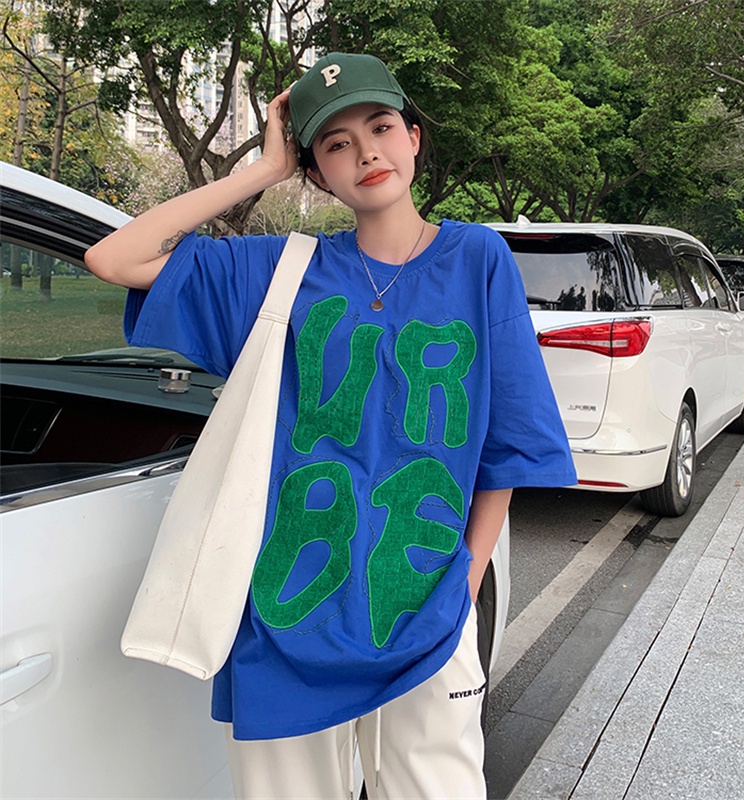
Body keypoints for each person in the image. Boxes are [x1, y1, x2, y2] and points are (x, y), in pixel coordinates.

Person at [85, 52, 576, 800]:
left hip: (427, 610)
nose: (367, 153)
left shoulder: (478, 258)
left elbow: (506, 444)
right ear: (316, 173)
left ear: (413, 137)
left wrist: (466, 580)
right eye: (336, 144)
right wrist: (262, 170)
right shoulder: (281, 270)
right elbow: (114, 257)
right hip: (290, 614)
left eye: (381, 127)